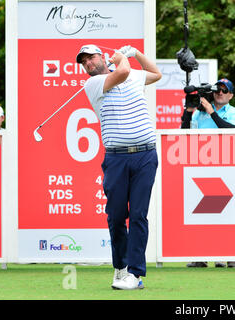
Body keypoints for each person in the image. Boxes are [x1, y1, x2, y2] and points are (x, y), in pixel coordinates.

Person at [76, 44, 161, 290]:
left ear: (101, 56)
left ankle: (135, 274)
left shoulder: (132, 73)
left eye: (91, 57)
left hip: (145, 155)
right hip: (116, 158)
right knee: (116, 217)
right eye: (84, 62)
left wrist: (135, 54)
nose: (89, 63)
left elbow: (155, 73)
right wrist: (123, 57)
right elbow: (122, 72)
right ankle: (121, 266)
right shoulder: (92, 84)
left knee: (137, 215)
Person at [181, 78, 235, 268]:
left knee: (228, 213)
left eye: (225, 90)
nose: (220, 93)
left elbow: (232, 132)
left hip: (229, 165)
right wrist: (188, 111)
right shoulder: (200, 114)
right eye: (218, 90)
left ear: (231, 95)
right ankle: (201, 255)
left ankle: (229, 255)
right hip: (202, 166)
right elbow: (184, 133)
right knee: (202, 213)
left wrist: (211, 111)